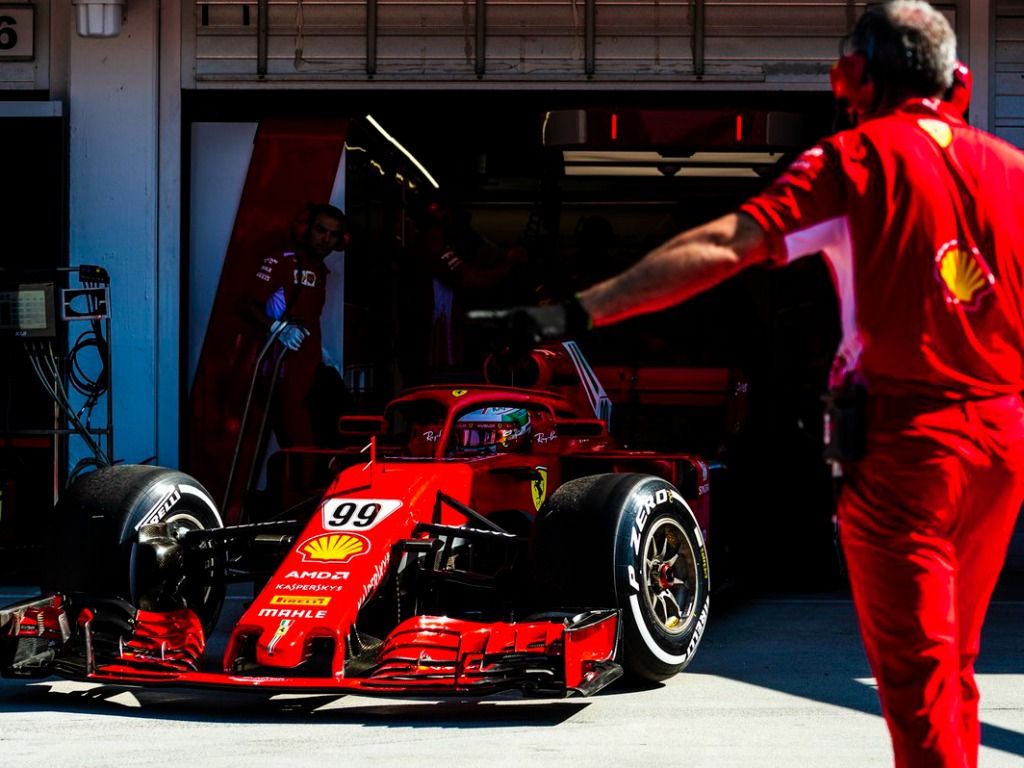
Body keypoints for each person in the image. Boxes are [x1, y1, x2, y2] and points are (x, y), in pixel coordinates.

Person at [515, 3, 1024, 766]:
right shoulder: (1014, 170)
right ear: (959, 80)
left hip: (903, 448)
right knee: (955, 660)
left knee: (917, 675)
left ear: (855, 76)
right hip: (1001, 446)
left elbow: (726, 244)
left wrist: (579, 310)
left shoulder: (853, 159)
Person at [240, 202, 348, 448]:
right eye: (321, 230)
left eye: (333, 235)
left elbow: (309, 319)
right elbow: (247, 304)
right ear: (307, 229)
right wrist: (277, 329)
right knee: (299, 444)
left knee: (323, 437)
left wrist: (320, 353)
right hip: (281, 367)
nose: (326, 239)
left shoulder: (320, 271)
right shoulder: (282, 261)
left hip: (308, 367)